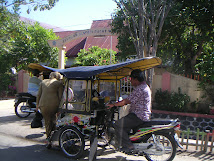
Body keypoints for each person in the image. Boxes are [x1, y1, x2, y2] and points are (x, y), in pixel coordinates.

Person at [106, 69, 151, 153]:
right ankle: (123, 143)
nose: (130, 82)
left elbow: (126, 101)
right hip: (141, 115)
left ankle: (128, 146)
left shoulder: (139, 89)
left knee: (118, 124)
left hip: (138, 116)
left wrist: (114, 105)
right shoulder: (144, 87)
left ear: (136, 79)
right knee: (124, 126)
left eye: (131, 79)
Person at [36, 72, 64, 145]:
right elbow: (60, 96)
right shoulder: (58, 83)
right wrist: (61, 107)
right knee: (54, 120)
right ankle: (51, 138)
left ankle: (49, 137)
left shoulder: (43, 82)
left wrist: (37, 105)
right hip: (54, 105)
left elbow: (39, 94)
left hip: (43, 105)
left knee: (47, 121)